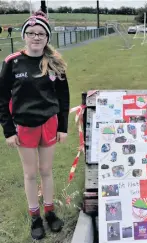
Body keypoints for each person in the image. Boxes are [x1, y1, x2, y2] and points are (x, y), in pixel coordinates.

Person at [0, 10, 70, 240]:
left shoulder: (54, 63)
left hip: (48, 124)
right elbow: (2, 98)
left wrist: (62, 127)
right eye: (31, 33)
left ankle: (49, 211)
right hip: (24, 126)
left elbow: (63, 97)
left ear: (47, 38)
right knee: (30, 174)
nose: (36, 37)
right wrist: (8, 131)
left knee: (46, 171)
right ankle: (35, 217)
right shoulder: (12, 63)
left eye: (41, 34)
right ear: (24, 36)